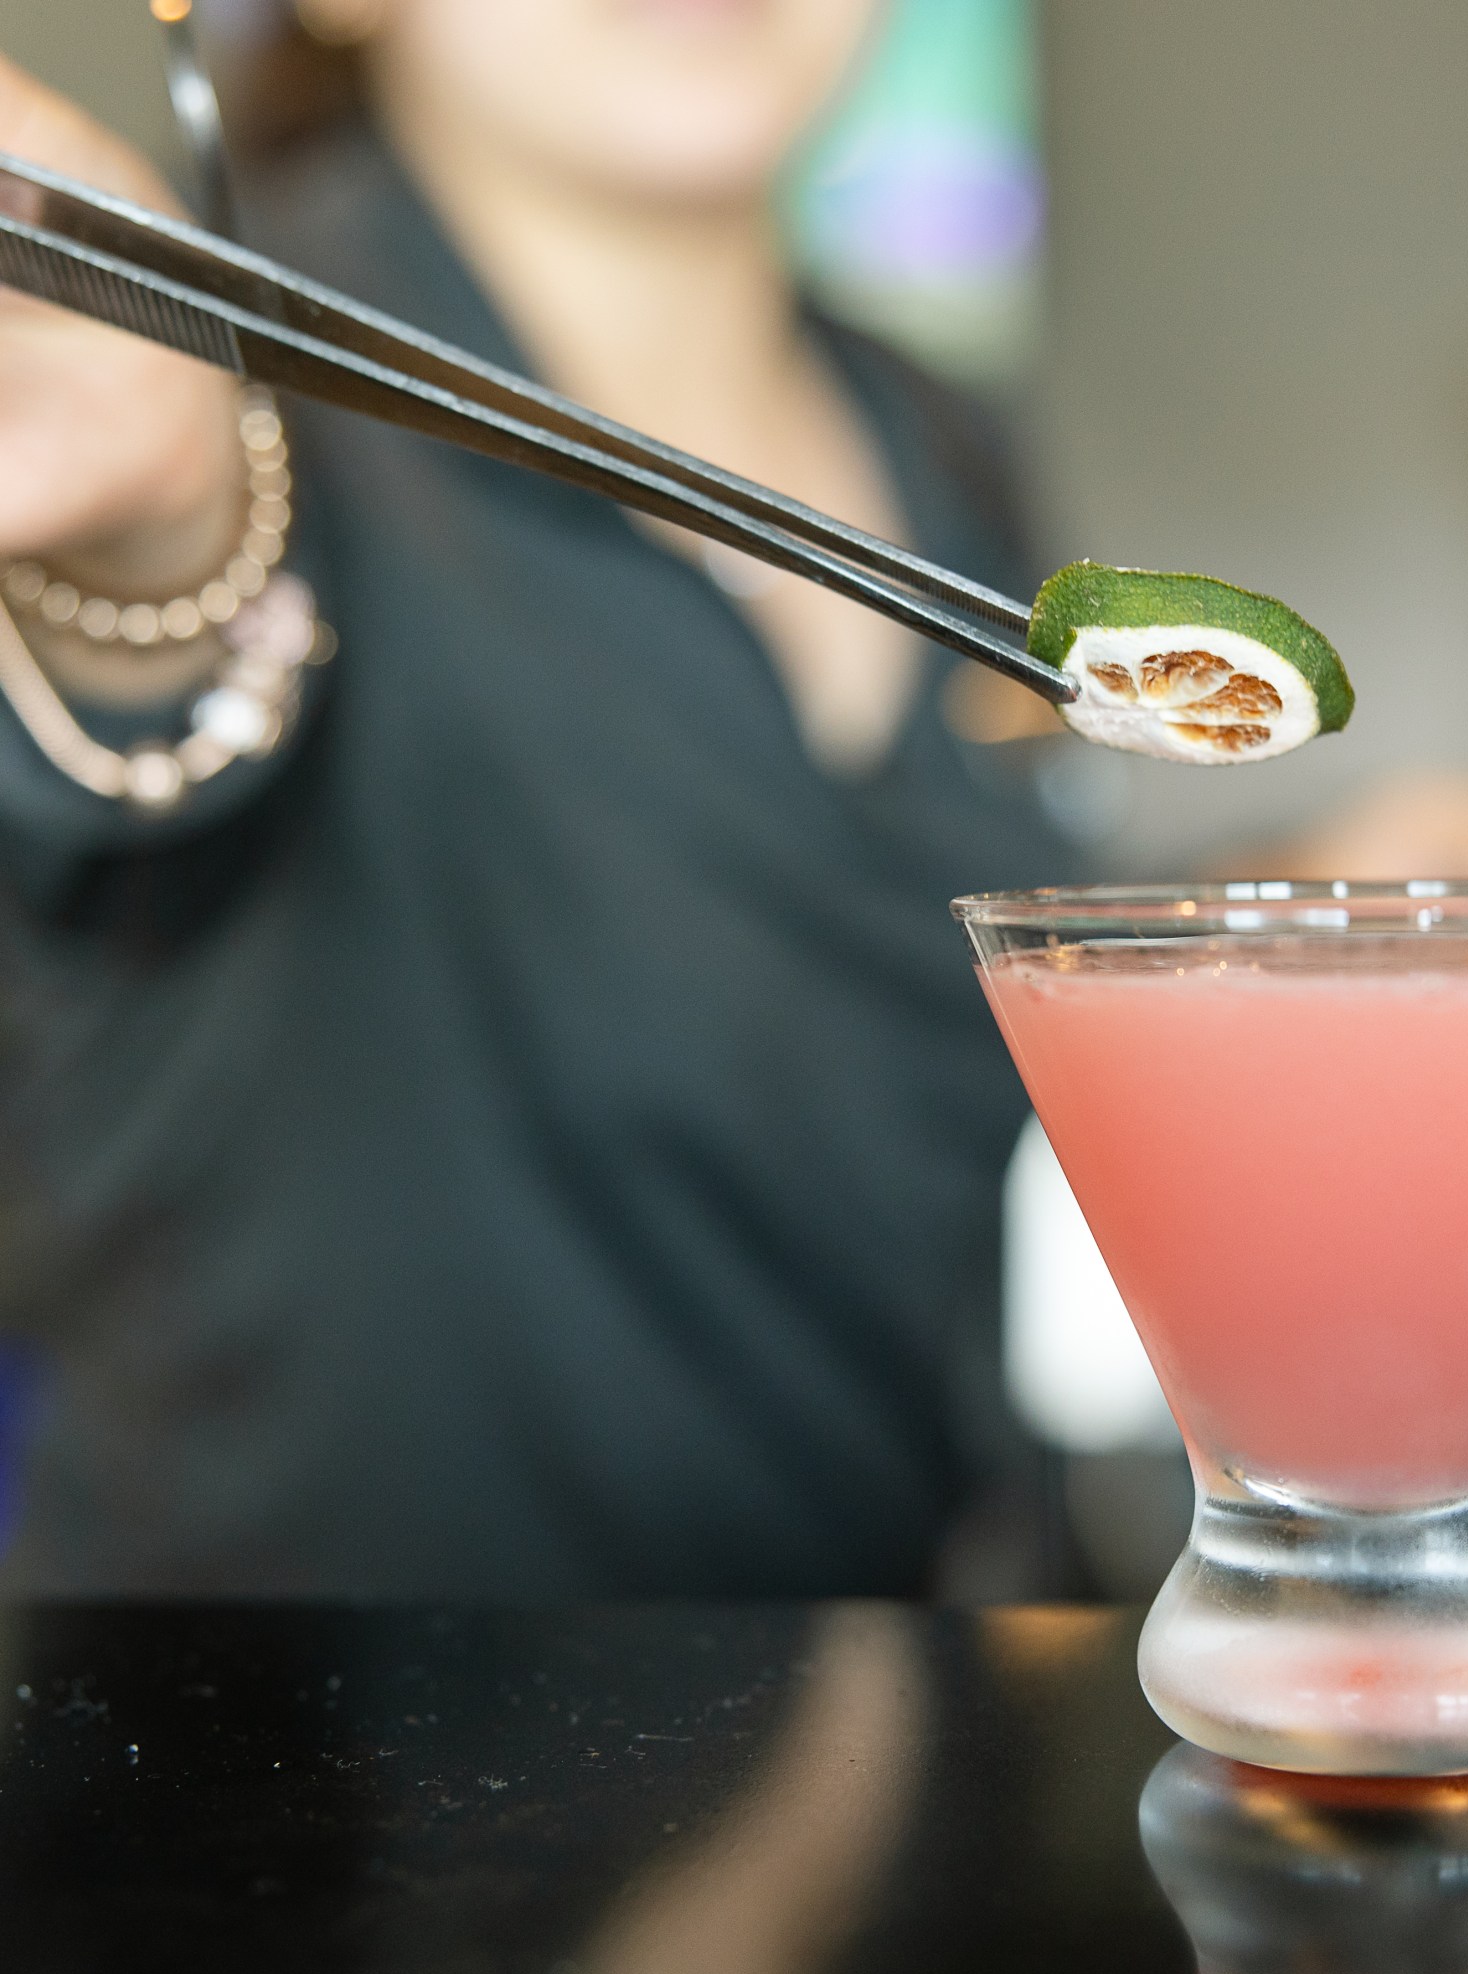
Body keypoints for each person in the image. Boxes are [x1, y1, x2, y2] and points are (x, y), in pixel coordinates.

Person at [0, 0, 1070, 1595]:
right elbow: (171, 631)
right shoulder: (194, 365)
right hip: (312, 1782)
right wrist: (159, 542)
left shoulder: (948, 445)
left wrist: (1311, 884)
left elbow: (897, 968)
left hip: (916, 1696)